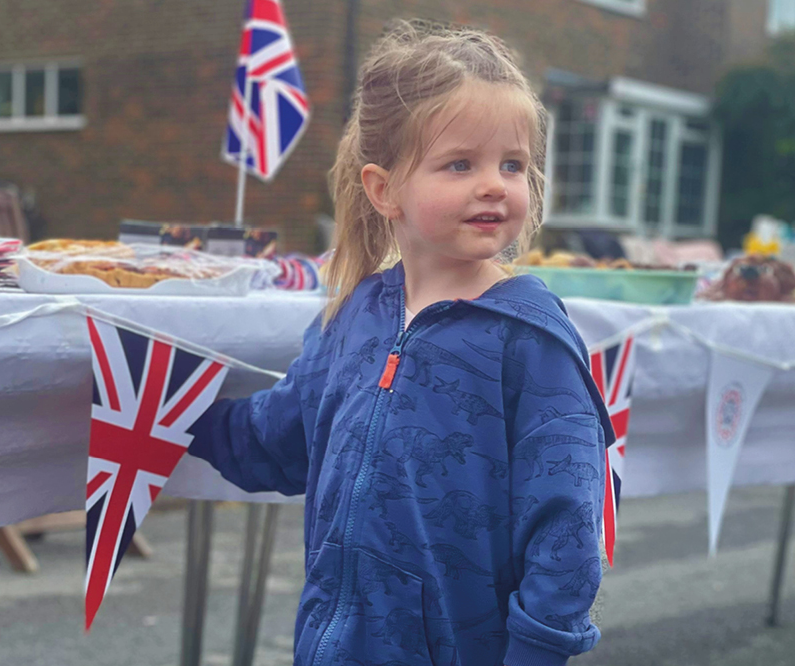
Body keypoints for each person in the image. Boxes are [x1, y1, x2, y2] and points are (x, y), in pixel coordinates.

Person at [188, 20, 615, 666]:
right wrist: (174, 413)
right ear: (384, 189)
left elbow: (568, 525)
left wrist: (538, 652)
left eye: (514, 165)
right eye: (460, 164)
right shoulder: (356, 315)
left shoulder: (530, 340)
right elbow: (276, 439)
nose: (496, 184)